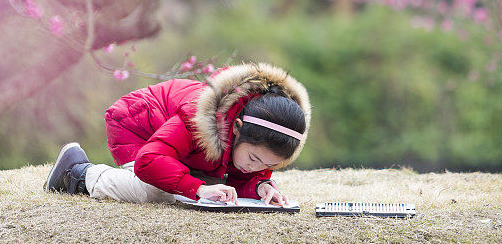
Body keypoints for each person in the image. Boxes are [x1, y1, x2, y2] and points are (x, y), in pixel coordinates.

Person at [44, 62, 311, 206]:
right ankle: (78, 171)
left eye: (268, 165)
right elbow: (149, 161)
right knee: (160, 191)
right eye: (254, 159)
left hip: (183, 148)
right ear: (238, 128)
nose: (257, 168)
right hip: (137, 127)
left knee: (208, 187)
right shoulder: (201, 116)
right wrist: (196, 188)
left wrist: (260, 185)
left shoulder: (258, 133)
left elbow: (240, 175)